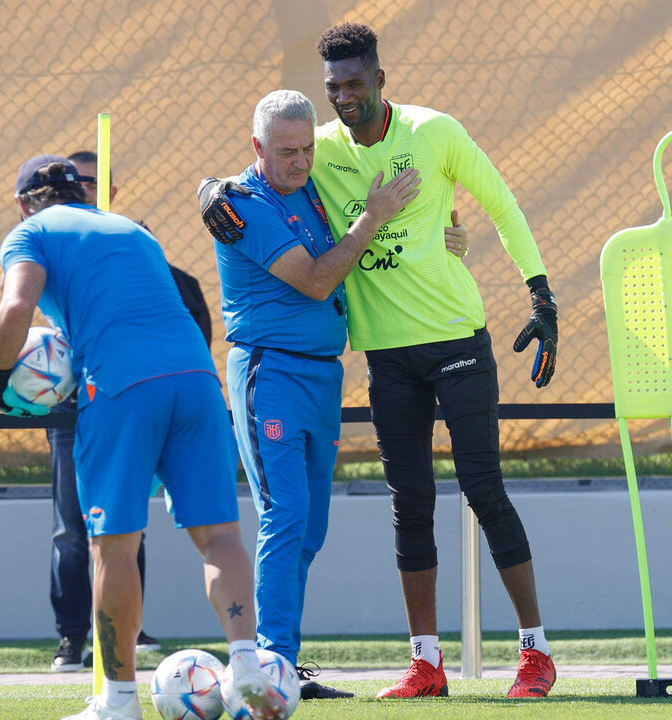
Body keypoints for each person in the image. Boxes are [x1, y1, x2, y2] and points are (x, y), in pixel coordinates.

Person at [199, 22, 560, 700]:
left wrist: (539, 292)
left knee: (480, 490)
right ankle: (415, 664)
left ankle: (535, 653)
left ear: (381, 80)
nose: (345, 100)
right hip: (367, 360)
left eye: (356, 85)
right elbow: (264, 185)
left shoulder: (429, 132)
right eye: (334, 88)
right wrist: (210, 189)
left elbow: (499, 202)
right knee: (399, 505)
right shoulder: (316, 154)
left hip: (454, 341)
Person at [0, 155, 284, 720]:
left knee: (112, 546)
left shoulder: (29, 233)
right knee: (220, 537)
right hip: (196, 381)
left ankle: (119, 702)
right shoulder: (128, 229)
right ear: (85, 193)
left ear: (23, 204)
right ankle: (245, 667)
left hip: (121, 385)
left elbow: (17, 305)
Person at [211, 89, 419, 700]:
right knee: (286, 513)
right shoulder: (243, 202)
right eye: (286, 152)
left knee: (311, 526)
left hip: (322, 374)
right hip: (269, 373)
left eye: (307, 149)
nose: (301, 162)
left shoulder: (308, 182)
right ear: (257, 148)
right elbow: (317, 277)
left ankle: (282, 658)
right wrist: (371, 218)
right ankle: (271, 663)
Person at [47, 151, 211, 672]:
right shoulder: (52, 254)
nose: (85, 190)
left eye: (94, 182)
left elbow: (194, 322)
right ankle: (72, 637)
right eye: (77, 183)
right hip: (77, 409)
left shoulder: (145, 249)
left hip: (134, 400)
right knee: (74, 529)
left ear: (111, 191)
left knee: (125, 525)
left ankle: (125, 634)